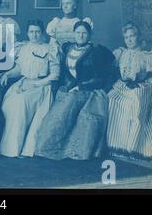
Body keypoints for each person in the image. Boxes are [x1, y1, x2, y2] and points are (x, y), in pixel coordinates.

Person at [35, 20, 115, 160]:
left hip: (90, 91)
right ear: (74, 34)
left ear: (90, 35)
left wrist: (80, 87)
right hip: (73, 88)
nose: (81, 35)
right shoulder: (68, 48)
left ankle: (71, 149)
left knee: (69, 104)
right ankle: (48, 145)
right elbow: (68, 72)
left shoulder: (96, 52)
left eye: (84, 33)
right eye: (78, 32)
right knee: (59, 107)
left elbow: (101, 79)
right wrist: (69, 85)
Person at [0, 20, 60, 158]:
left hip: (42, 86)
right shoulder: (23, 47)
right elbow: (19, 69)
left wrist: (36, 84)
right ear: (27, 33)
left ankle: (20, 149)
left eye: (37, 31)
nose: (34, 35)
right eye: (31, 32)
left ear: (42, 32)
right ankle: (10, 148)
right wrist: (7, 74)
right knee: (9, 102)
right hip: (24, 83)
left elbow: (55, 75)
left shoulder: (49, 49)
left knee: (21, 103)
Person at [107, 22, 152, 160]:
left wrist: (150, 81)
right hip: (123, 85)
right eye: (127, 37)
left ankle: (133, 147)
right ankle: (118, 145)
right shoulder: (121, 53)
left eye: (132, 36)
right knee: (111, 98)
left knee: (134, 101)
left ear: (139, 37)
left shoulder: (149, 55)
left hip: (142, 87)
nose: (130, 39)